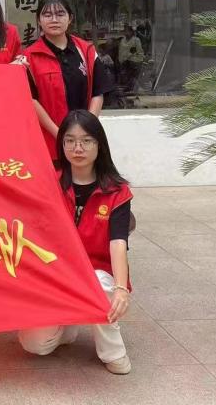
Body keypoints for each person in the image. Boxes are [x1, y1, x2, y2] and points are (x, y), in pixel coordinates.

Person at [18, 110, 133, 375]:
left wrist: (120, 288)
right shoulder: (49, 181)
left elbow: (118, 242)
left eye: (86, 141)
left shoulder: (117, 191)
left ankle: (113, 352)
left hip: (98, 271)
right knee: (35, 345)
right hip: (57, 274)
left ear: (99, 145)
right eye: (69, 141)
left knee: (101, 288)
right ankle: (68, 323)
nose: (77, 148)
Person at [25, 0, 114, 161]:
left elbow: (98, 92)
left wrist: (86, 129)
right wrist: (60, 135)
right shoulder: (29, 57)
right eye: (47, 15)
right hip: (48, 140)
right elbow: (31, 100)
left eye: (60, 14)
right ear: (38, 20)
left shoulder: (87, 50)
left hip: (86, 138)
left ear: (70, 18)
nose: (54, 20)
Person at [117, 24, 145, 93]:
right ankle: (128, 89)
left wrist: (137, 60)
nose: (126, 32)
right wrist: (120, 60)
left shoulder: (136, 40)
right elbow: (120, 51)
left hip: (134, 62)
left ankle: (135, 89)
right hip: (124, 62)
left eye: (127, 31)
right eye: (125, 31)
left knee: (133, 77)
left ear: (131, 32)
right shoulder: (123, 40)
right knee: (126, 76)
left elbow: (139, 51)